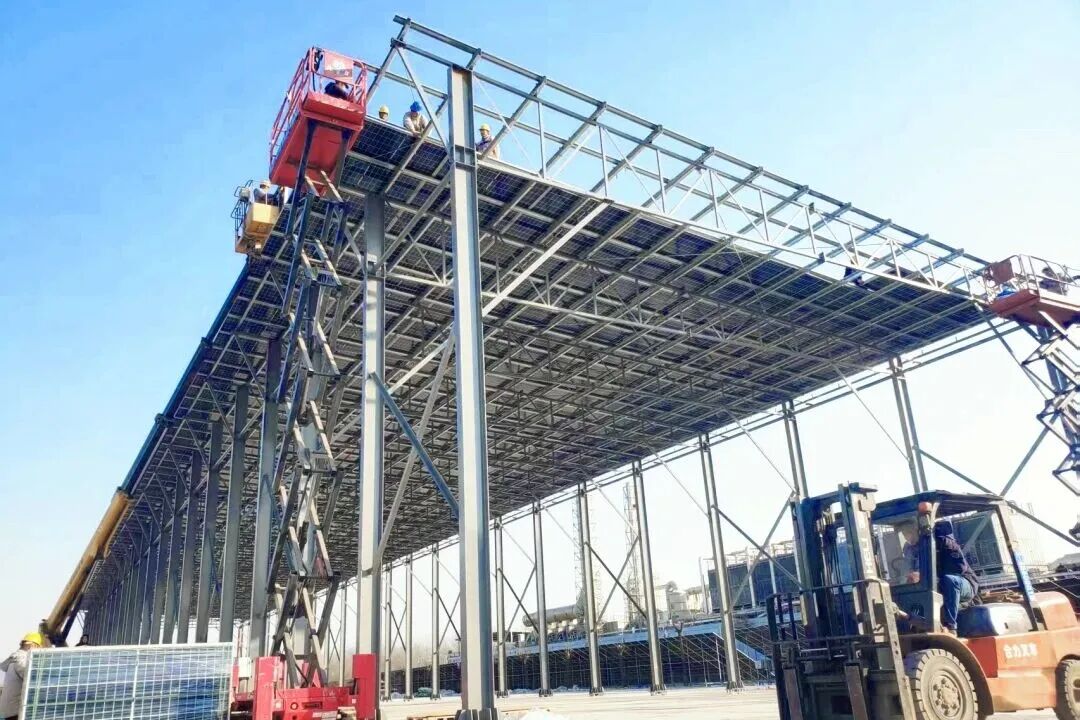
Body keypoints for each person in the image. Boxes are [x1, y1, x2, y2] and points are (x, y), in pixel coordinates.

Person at [934, 519, 979, 634]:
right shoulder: (921, 549)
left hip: (966, 583)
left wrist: (938, 575)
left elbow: (960, 569)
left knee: (950, 580)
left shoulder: (949, 545)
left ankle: (951, 625)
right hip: (943, 582)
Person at [0, 633, 43, 720]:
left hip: (11, 710)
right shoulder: (22, 658)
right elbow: (29, 675)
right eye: (38, 647)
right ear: (32, 645)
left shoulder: (15, 659)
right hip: (16, 710)